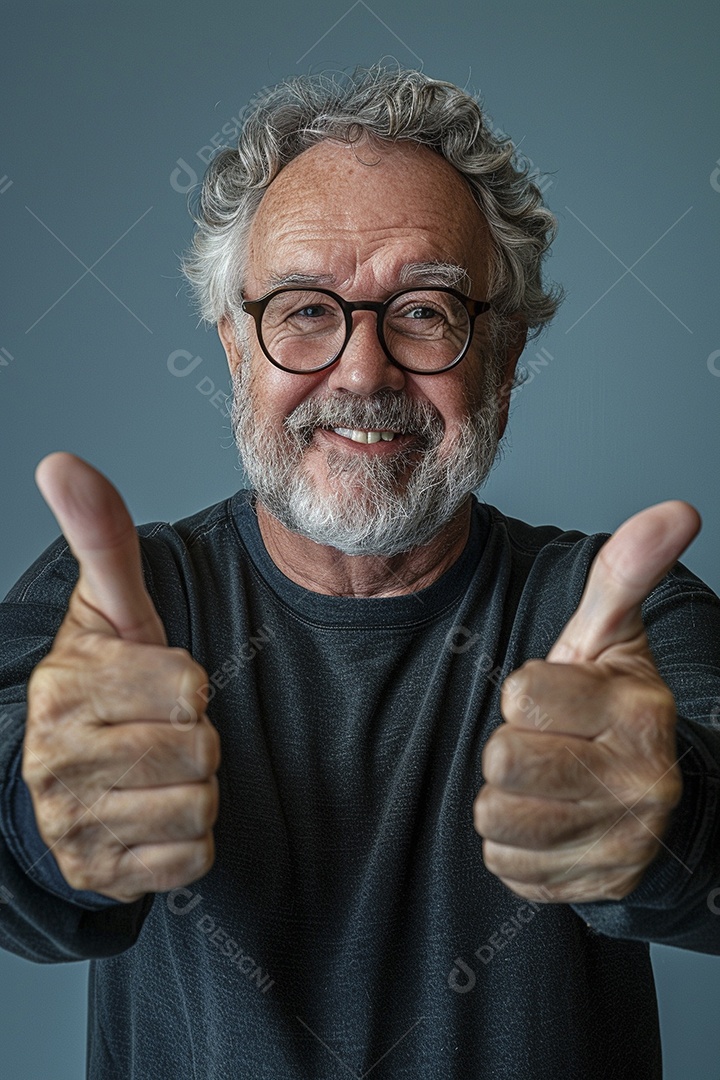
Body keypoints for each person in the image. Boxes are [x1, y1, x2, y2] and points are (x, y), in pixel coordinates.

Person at [1, 64, 719, 1080]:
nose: (362, 370)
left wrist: (675, 816)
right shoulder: (117, 609)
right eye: (302, 310)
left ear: (504, 355)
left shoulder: (616, 623)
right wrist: (42, 818)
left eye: (424, 311)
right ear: (234, 350)